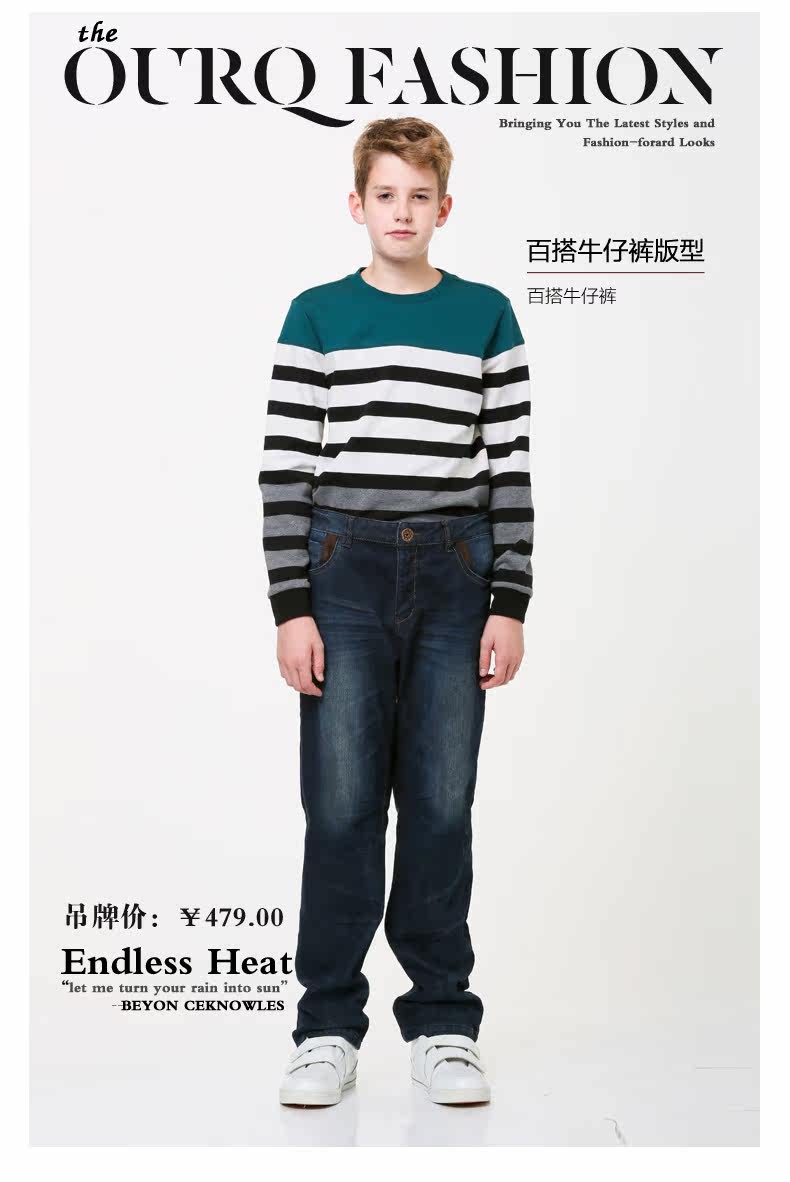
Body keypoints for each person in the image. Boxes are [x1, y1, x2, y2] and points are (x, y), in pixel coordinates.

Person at [259, 116, 534, 1107]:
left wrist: (510, 600)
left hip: (458, 574)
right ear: (357, 205)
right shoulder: (318, 314)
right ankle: (326, 1027)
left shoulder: (486, 315)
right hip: (343, 573)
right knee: (340, 808)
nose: (402, 212)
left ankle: (444, 1023)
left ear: (444, 207)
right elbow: (286, 468)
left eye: (420, 196)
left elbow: (510, 466)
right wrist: (292, 606)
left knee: (441, 803)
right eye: (386, 195)